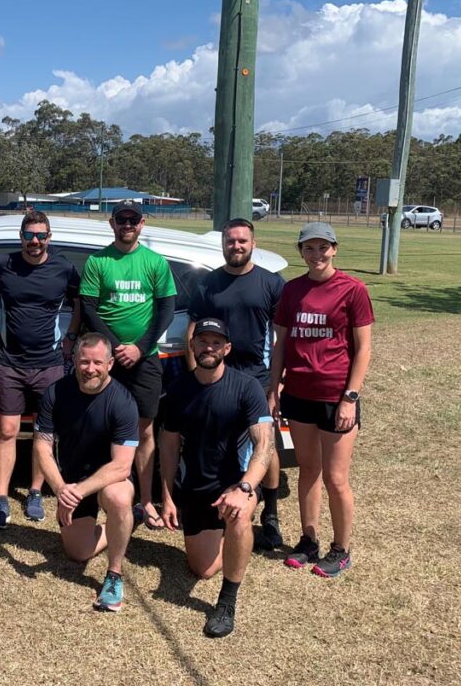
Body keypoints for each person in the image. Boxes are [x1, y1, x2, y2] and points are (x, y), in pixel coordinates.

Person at [268, 222, 373, 578]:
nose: (317, 255)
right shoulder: (293, 291)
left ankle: (341, 549)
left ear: (334, 249)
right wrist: (274, 388)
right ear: (301, 252)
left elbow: (363, 349)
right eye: (309, 249)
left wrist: (350, 398)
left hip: (335, 396)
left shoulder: (352, 289)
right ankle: (308, 540)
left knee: (335, 478)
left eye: (323, 248)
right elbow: (280, 344)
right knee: (308, 470)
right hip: (298, 394)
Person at [159, 318, 275, 638]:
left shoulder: (246, 386)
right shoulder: (179, 389)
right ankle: (236, 541)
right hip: (197, 487)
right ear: (192, 346)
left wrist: (245, 486)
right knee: (203, 569)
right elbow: (168, 446)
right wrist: (168, 496)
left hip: (236, 482)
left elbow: (264, 445)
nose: (208, 347)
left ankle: (227, 600)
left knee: (239, 513)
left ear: (227, 348)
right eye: (202, 341)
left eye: (216, 342)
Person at [0, 210, 80, 528]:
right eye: (29, 235)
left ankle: (35, 491)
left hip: (49, 364)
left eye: (40, 236)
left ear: (49, 237)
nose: (34, 242)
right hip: (10, 362)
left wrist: (71, 337)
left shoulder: (63, 267)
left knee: (43, 433)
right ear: (20, 236)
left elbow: (80, 301)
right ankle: (2, 499)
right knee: (6, 431)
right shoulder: (3, 264)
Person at [186, 218, 286, 549]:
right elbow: (194, 329)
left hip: (256, 375)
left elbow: (282, 337)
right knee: (218, 442)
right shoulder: (209, 283)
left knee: (265, 444)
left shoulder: (271, 283)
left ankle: (270, 516)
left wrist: (277, 385)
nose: (236, 246)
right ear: (223, 244)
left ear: (253, 243)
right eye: (230, 241)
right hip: (217, 375)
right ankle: (221, 504)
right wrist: (194, 375)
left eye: (242, 241)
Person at [80, 203, 176, 530]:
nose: (127, 225)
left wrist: (140, 347)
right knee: (98, 425)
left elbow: (166, 310)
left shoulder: (155, 263)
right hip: (105, 360)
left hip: (144, 358)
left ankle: (146, 500)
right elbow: (89, 308)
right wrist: (112, 350)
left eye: (132, 220)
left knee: (145, 429)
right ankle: (101, 492)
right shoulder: (97, 261)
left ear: (142, 224)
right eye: (121, 220)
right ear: (111, 224)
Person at [33, 333, 140, 612]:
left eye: (97, 362)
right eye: (84, 361)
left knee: (117, 498)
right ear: (74, 361)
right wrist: (61, 489)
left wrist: (77, 492)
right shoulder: (55, 393)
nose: (90, 369)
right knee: (78, 553)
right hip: (72, 481)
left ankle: (114, 576)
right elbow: (42, 448)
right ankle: (129, 520)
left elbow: (122, 465)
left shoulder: (124, 402)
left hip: (110, 480)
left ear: (110, 364)